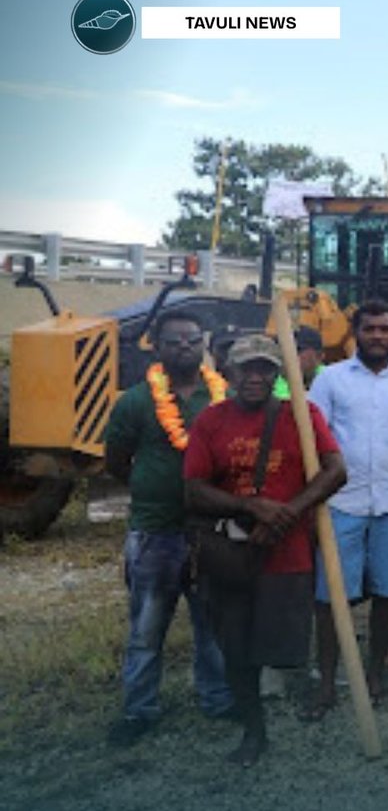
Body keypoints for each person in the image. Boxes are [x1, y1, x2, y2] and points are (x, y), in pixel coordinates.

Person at [184, 335, 346, 765]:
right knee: (236, 648)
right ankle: (253, 731)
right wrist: (250, 507)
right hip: (231, 553)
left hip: (287, 554)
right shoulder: (211, 421)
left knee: (278, 646)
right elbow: (193, 488)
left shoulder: (302, 415)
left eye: (265, 369)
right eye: (246, 368)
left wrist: (288, 513)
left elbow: (335, 471)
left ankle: (296, 701)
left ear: (277, 374)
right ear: (229, 372)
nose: (255, 377)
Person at [103, 310, 234, 746]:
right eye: (174, 341)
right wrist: (153, 485)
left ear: (204, 344)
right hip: (155, 532)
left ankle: (218, 698)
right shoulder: (136, 401)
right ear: (156, 347)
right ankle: (139, 710)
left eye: (193, 340)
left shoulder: (223, 397)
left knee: (212, 625)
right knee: (147, 628)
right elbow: (117, 461)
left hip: (210, 530)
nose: (184, 347)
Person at [303, 299, 388, 718]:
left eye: (385, 329)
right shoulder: (331, 379)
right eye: (369, 328)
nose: (377, 336)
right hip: (341, 503)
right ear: (355, 333)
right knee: (330, 598)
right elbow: (313, 442)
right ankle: (326, 682)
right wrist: (311, 504)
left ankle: (374, 675)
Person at [273, 326, 325, 398]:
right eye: (281, 350)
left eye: (296, 351)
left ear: (318, 356)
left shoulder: (333, 380)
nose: (286, 356)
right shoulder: (271, 384)